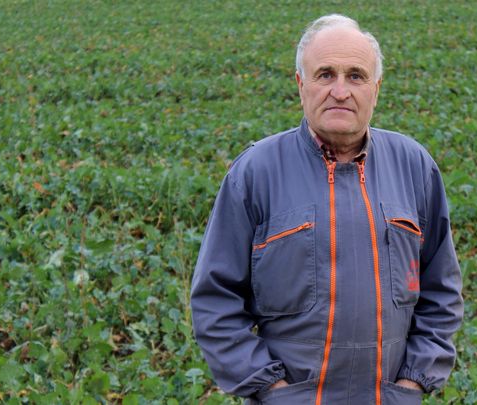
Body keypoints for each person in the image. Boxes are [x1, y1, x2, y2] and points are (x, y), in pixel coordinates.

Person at [191, 14, 463, 405]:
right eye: (325, 74)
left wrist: (412, 384)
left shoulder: (414, 166)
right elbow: (215, 301)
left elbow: (442, 290)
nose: (340, 90)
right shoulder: (255, 173)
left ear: (376, 88)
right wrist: (270, 389)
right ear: (301, 85)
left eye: (356, 76)